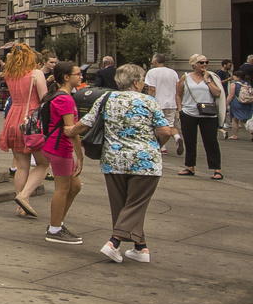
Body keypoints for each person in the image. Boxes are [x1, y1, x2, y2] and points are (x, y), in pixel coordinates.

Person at [74, 63, 177, 263]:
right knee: (136, 205)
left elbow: (86, 123)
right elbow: (165, 131)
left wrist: (69, 131)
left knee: (121, 206)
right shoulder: (149, 101)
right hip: (145, 161)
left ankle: (141, 248)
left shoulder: (105, 98)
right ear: (137, 82)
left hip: (114, 160)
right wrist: (155, 145)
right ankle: (114, 242)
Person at [0, 44, 51, 215]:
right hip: (32, 120)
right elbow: (44, 99)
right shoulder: (36, 74)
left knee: (21, 166)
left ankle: (20, 206)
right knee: (43, 164)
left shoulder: (10, 75)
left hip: (14, 118)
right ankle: (24, 196)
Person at [41, 61, 85, 244]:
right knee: (62, 189)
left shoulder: (61, 96)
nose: (81, 77)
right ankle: (54, 228)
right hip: (60, 147)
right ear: (67, 77)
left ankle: (57, 223)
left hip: (57, 145)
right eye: (77, 74)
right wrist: (80, 156)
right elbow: (71, 130)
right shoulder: (65, 99)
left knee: (74, 187)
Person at [174, 54, 226, 179]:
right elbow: (178, 94)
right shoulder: (185, 78)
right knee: (190, 140)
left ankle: (217, 169)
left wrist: (207, 80)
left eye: (206, 62)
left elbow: (217, 92)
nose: (204, 65)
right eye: (201, 63)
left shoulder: (211, 77)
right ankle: (190, 166)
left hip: (208, 114)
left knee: (211, 141)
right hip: (189, 113)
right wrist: (180, 110)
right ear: (194, 65)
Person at [143, 53, 182, 155]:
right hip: (171, 103)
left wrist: (150, 101)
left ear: (155, 61)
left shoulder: (152, 72)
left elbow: (152, 89)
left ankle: (162, 146)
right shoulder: (173, 72)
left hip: (158, 102)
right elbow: (178, 87)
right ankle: (177, 137)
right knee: (169, 124)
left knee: (156, 126)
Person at [226, 65, 253, 141]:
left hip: (237, 103)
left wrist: (226, 104)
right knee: (245, 119)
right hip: (248, 103)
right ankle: (251, 130)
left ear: (238, 77)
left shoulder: (234, 84)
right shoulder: (247, 83)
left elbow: (231, 96)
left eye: (234, 76)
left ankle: (235, 135)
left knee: (235, 119)